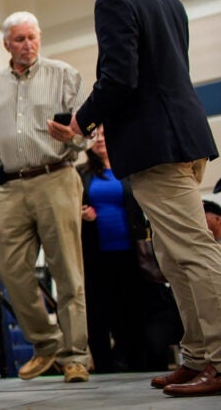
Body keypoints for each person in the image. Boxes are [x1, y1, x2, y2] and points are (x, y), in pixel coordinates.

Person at [68, 0, 221, 397]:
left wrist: (81, 120)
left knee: (193, 253)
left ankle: (217, 359)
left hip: (155, 146)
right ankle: (197, 356)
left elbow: (121, 78)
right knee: (175, 257)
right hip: (185, 138)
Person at [0, 10, 92, 383]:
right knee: (10, 269)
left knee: (67, 272)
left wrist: (72, 137)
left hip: (56, 177)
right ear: (6, 44)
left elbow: (87, 135)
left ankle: (75, 355)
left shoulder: (65, 75)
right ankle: (46, 344)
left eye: (33, 37)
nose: (28, 45)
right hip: (8, 186)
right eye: (20, 39)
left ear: (40, 38)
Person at [79, 125, 181, 372]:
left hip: (132, 253)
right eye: (96, 136)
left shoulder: (130, 168)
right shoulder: (80, 174)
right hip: (95, 253)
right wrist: (81, 212)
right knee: (98, 313)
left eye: (105, 134)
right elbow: (70, 206)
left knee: (133, 311)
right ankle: (103, 366)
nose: (101, 139)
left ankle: (137, 363)